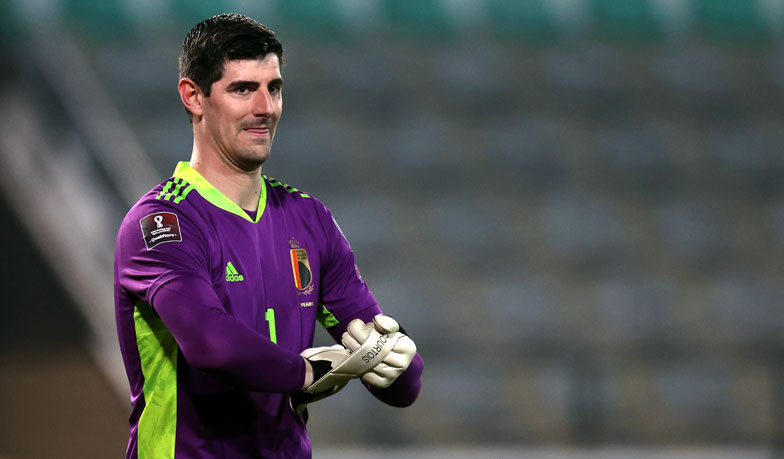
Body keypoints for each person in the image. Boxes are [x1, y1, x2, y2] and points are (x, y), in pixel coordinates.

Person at [114, 13, 423, 458]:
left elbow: (401, 384)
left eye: (273, 88)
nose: (266, 108)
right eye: (243, 89)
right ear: (194, 96)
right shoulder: (162, 222)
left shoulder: (309, 218)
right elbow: (211, 344)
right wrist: (311, 373)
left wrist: (395, 360)